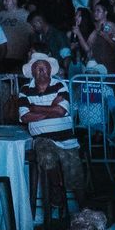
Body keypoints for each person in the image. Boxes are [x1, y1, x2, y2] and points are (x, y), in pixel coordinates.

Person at [17, 52, 87, 215]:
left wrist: (35, 108)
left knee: (75, 173)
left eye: (45, 67)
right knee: (46, 155)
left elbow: (62, 111)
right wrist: (51, 108)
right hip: (43, 138)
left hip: (67, 138)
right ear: (32, 72)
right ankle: (57, 190)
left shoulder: (60, 85)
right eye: (38, 68)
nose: (42, 71)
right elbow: (24, 116)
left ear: (50, 70)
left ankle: (84, 212)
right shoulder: (25, 90)